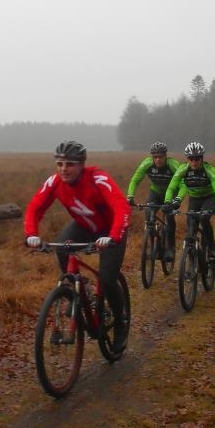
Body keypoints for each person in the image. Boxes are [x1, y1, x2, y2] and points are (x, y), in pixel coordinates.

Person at [24, 142, 131, 341]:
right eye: (60, 164)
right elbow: (34, 208)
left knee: (107, 279)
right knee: (62, 246)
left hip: (111, 231)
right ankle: (78, 291)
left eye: (70, 164)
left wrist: (114, 236)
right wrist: (31, 234)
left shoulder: (98, 178)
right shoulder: (55, 182)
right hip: (84, 226)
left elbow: (121, 207)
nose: (64, 169)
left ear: (81, 165)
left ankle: (120, 322)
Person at [163, 142, 215, 263]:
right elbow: (171, 187)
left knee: (204, 219)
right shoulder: (183, 169)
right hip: (194, 199)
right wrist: (167, 202)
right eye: (191, 159)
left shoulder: (209, 169)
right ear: (187, 159)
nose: (194, 162)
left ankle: (212, 249)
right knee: (191, 225)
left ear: (202, 158)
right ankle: (193, 255)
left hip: (208, 198)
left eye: (197, 159)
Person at [125, 142, 180, 263]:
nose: (158, 159)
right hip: (156, 192)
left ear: (166, 156)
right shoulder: (147, 164)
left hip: (171, 193)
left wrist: (177, 200)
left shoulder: (173, 165)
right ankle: (155, 245)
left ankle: (170, 248)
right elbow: (135, 180)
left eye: (160, 156)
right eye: (155, 157)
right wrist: (130, 196)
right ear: (152, 157)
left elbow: (183, 182)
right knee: (149, 214)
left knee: (169, 217)